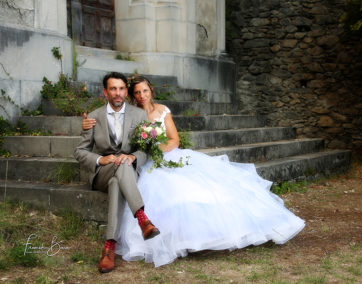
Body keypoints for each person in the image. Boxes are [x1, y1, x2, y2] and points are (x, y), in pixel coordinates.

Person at [81, 75, 305, 267]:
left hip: (160, 156)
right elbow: (114, 141)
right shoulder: (127, 113)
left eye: (145, 91)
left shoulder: (159, 112)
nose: (142, 95)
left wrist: (156, 149)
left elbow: (173, 139)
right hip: (131, 163)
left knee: (193, 189)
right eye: (137, 92)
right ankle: (142, 221)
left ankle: (197, 235)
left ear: (151, 91)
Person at [74, 72, 160, 273]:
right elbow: (79, 151)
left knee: (117, 180)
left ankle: (109, 248)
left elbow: (146, 149)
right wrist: (99, 159)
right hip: (101, 173)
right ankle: (142, 218)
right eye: (113, 89)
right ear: (105, 92)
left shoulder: (138, 115)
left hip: (126, 172)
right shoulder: (93, 117)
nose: (118, 93)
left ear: (125, 91)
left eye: (121, 88)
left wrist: (133, 157)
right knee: (115, 170)